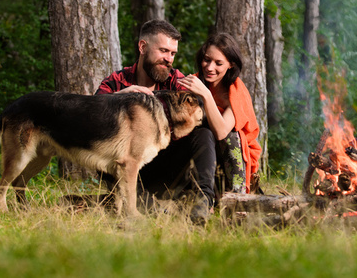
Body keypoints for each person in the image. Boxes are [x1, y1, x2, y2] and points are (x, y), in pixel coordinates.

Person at [95, 19, 216, 224]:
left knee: (203, 133)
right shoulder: (116, 82)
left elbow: (201, 120)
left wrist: (206, 96)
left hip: (166, 165)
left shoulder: (176, 82)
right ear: (143, 47)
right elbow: (92, 117)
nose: (169, 59)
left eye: (172, 53)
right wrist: (120, 97)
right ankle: (145, 206)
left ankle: (202, 203)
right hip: (128, 170)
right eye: (163, 51)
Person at [178, 33, 262, 195]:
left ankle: (238, 196)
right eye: (207, 59)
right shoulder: (195, 81)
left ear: (230, 64)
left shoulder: (236, 91)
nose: (210, 67)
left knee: (231, 135)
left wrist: (206, 95)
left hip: (233, 156)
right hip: (202, 154)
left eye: (218, 63)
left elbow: (222, 132)